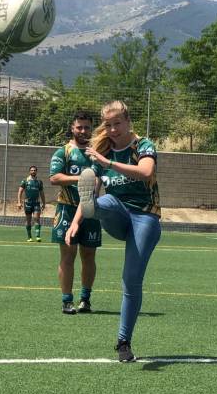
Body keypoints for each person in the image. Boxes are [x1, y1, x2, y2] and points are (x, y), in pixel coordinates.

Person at [69, 100, 161, 362]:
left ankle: (124, 342)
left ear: (128, 121)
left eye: (117, 123)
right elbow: (91, 186)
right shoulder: (103, 148)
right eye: (107, 125)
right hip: (116, 213)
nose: (112, 129)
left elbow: (146, 172)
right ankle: (93, 212)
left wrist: (108, 163)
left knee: (131, 281)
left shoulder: (142, 145)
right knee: (102, 202)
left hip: (145, 218)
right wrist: (77, 221)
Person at [49, 111, 102, 315]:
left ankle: (85, 299)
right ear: (72, 128)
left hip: (90, 209)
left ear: (92, 128)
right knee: (67, 254)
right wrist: (81, 178)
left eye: (87, 127)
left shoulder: (96, 153)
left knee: (89, 254)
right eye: (79, 127)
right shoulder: (63, 152)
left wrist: (92, 190)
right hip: (66, 209)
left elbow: (98, 180)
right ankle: (66, 301)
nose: (83, 130)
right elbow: (54, 178)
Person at [17, 165, 46, 242]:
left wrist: (44, 203)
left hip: (36, 203)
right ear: (29, 171)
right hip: (27, 203)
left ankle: (38, 236)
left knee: (36, 218)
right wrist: (19, 202)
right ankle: (29, 237)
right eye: (32, 170)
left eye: (34, 170)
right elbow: (20, 191)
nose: (33, 171)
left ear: (36, 171)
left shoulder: (39, 182)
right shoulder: (25, 181)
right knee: (28, 220)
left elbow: (42, 193)